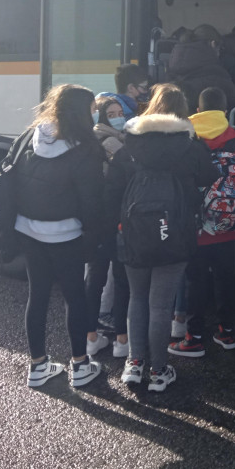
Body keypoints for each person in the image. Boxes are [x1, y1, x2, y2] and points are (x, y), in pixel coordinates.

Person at [106, 83, 218, 392]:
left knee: (136, 297)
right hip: (176, 233)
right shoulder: (189, 145)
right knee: (161, 305)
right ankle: (158, 371)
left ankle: (134, 364)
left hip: (134, 234)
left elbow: (113, 188)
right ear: (183, 111)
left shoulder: (131, 145)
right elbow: (210, 177)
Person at [8, 84, 106, 389]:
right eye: (92, 108)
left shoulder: (30, 136)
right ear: (81, 111)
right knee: (74, 297)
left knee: (37, 295)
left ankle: (37, 366)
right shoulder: (85, 148)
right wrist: (95, 239)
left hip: (27, 228)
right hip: (66, 233)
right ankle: (79, 366)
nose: (95, 113)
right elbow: (92, 203)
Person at [168, 87, 235, 358]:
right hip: (227, 225)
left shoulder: (188, 136)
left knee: (195, 281)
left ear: (198, 110)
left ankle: (194, 338)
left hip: (197, 225)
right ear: (225, 111)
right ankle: (226, 332)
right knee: (226, 279)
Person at [84, 96, 130, 359]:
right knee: (117, 278)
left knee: (96, 277)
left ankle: (92, 337)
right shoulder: (109, 140)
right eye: (110, 113)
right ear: (102, 117)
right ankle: (121, 340)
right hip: (111, 218)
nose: (117, 116)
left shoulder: (100, 137)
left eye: (119, 111)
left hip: (97, 219)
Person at [168, 27, 235, 114]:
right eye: (220, 49)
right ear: (213, 44)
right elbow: (234, 108)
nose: (220, 54)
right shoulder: (220, 80)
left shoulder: (171, 73)